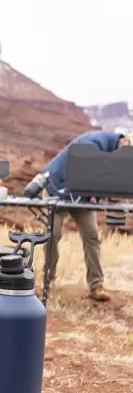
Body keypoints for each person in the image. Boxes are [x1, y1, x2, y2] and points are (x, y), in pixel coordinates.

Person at [42, 129, 131, 302]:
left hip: (81, 193)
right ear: (125, 140)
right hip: (56, 188)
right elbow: (84, 168)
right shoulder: (94, 142)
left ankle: (96, 285)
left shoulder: (116, 155)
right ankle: (48, 281)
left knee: (91, 236)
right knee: (53, 234)